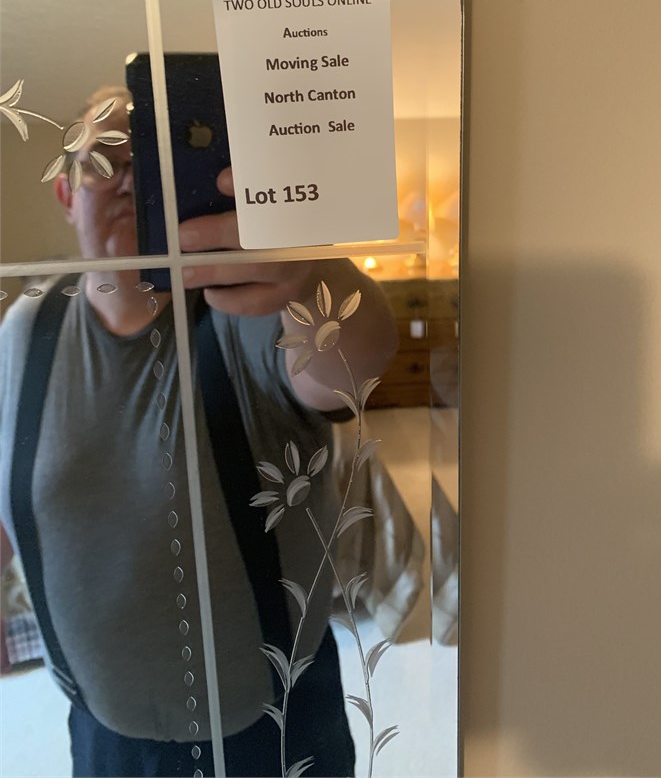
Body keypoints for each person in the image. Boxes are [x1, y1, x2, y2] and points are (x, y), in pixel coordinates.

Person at [0, 87, 397, 777]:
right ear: (66, 193)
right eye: (103, 158)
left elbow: (352, 364)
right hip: (102, 740)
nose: (128, 177)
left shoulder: (249, 308)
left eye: (152, 158)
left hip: (270, 737)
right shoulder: (27, 328)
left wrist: (313, 270)